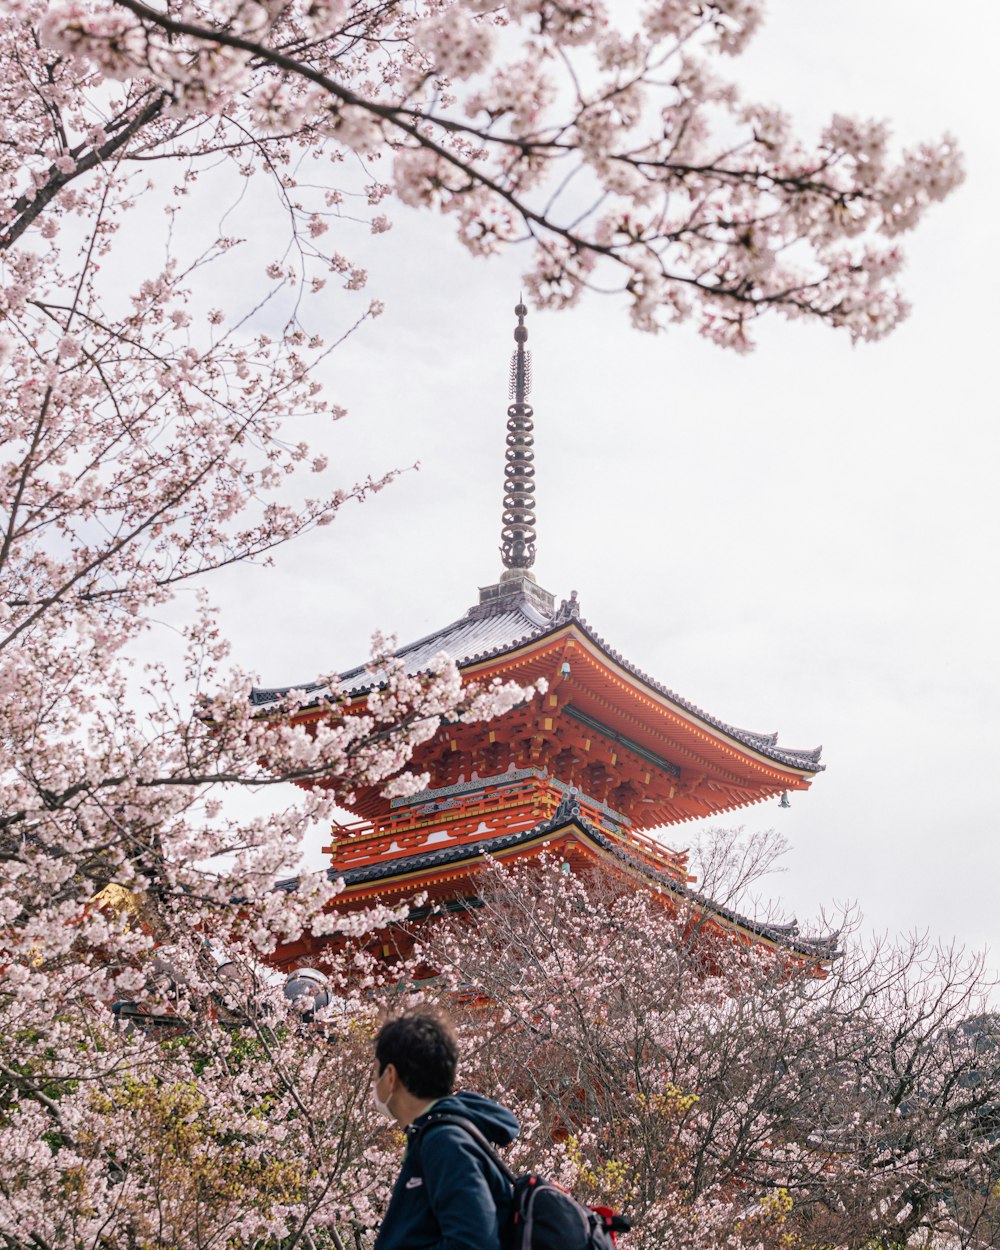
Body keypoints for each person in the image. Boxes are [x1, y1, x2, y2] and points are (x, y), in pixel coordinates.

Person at [372, 1006, 519, 1250]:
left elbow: (473, 1243)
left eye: (375, 1072)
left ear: (390, 1075)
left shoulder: (445, 1142)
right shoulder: (434, 1136)